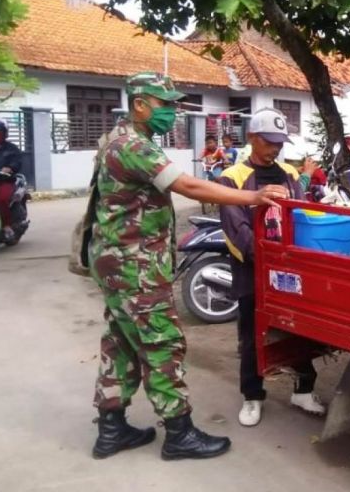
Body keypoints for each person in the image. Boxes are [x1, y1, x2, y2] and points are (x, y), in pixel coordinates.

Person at [89, 72, 289, 461]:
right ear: (140, 104)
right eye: (164, 105)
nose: (171, 112)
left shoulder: (116, 138)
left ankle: (111, 429)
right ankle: (179, 432)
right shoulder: (133, 145)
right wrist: (253, 195)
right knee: (162, 343)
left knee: (121, 343)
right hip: (135, 266)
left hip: (116, 262)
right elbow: (189, 187)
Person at [218, 108, 327, 427]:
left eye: (279, 142)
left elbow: (300, 217)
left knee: (298, 329)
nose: (275, 148)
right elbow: (236, 232)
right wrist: (267, 260)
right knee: (252, 336)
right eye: (269, 142)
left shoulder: (290, 176)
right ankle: (252, 396)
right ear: (252, 138)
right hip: (252, 272)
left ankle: (303, 389)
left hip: (289, 271)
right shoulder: (233, 179)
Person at [0, 119, 23, 242]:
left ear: (4, 134)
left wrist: (10, 168)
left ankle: (7, 226)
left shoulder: (12, 148)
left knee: (2, 198)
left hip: (4, 180)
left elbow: (17, 162)